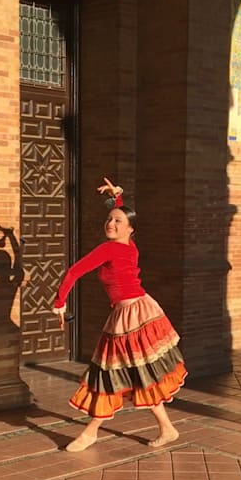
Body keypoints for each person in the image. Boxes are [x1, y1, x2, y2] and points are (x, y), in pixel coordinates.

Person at [53, 178, 187, 452]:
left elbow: (73, 272)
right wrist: (117, 199)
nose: (110, 224)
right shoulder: (129, 246)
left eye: (117, 221)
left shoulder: (110, 248)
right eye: (109, 220)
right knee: (138, 373)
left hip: (132, 317)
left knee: (109, 373)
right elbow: (125, 217)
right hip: (137, 312)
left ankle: (91, 432)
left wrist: (59, 302)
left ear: (130, 229)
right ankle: (167, 428)